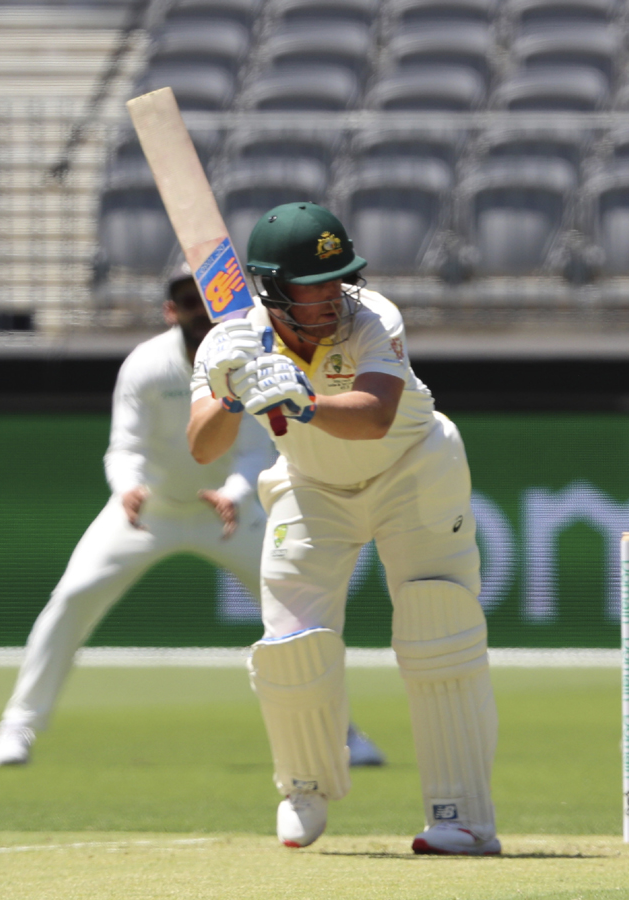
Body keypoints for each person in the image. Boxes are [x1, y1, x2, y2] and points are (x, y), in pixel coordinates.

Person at [0, 260, 385, 769]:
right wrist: (128, 488)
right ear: (171, 310)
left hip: (231, 517)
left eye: (206, 299)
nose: (198, 310)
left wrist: (236, 495)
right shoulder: (146, 365)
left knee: (299, 617)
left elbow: (257, 450)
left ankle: (339, 733)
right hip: (148, 512)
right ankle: (17, 728)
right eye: (187, 300)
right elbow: (124, 446)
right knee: (71, 599)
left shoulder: (247, 359)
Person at [187, 202, 499, 855]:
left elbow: (377, 415)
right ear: (273, 287)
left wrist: (302, 401)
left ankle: (462, 816)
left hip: (412, 470)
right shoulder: (229, 340)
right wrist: (232, 391)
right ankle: (303, 787)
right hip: (310, 486)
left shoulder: (372, 317)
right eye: (315, 284)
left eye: (340, 277)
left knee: (437, 622)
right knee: (290, 643)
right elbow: (202, 447)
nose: (333, 295)